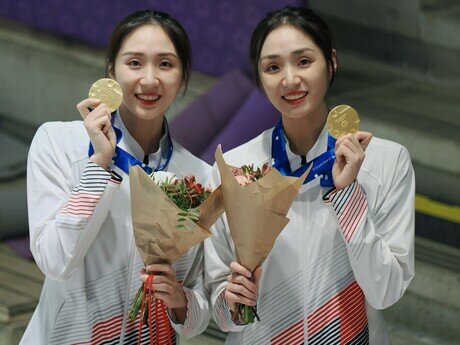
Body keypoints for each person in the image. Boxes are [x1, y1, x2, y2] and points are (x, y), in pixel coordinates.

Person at [205, 6, 415, 345]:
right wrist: (231, 304)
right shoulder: (234, 166)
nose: (289, 80)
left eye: (304, 61)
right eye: (273, 67)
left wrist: (347, 196)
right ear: (259, 77)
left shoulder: (387, 161)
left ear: (331, 62)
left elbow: (386, 291)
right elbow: (219, 302)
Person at [21, 9, 210, 345]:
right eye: (134, 63)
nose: (149, 80)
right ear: (111, 71)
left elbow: (196, 313)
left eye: (165, 64)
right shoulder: (57, 142)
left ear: (182, 77)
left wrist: (181, 303)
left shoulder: (198, 177)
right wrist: (99, 165)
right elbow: (54, 261)